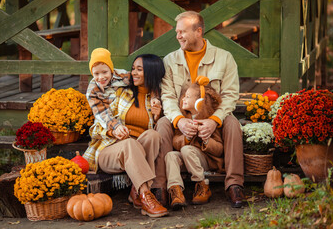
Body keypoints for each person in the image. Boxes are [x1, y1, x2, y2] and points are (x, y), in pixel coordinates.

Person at [153, 11, 245, 208]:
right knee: (161, 123)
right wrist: (179, 120)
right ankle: (161, 187)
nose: (178, 36)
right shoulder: (170, 60)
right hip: (181, 124)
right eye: (177, 32)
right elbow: (167, 96)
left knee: (232, 123)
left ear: (198, 32)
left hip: (212, 125)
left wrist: (214, 121)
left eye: (182, 32)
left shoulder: (224, 58)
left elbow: (230, 96)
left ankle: (234, 184)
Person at [83, 53, 168, 218]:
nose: (133, 73)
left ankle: (135, 191)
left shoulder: (157, 99)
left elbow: (156, 140)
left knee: (153, 135)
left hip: (137, 154)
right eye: (133, 69)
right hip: (110, 150)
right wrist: (113, 129)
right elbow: (97, 124)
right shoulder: (120, 92)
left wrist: (158, 117)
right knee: (130, 144)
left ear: (151, 72)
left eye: (139, 69)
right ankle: (145, 195)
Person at [165, 76, 223, 210]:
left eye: (187, 96)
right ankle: (176, 190)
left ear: (199, 101)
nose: (183, 99)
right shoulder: (185, 120)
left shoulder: (208, 122)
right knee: (171, 155)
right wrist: (185, 137)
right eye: (184, 96)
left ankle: (202, 184)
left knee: (186, 150)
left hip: (204, 162)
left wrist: (206, 139)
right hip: (187, 161)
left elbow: (219, 149)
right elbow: (176, 141)